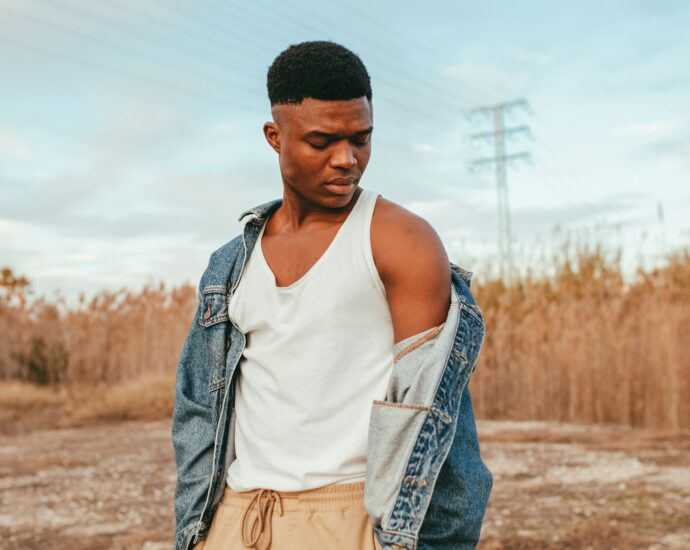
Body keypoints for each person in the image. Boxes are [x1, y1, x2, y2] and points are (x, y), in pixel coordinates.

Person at [172, 40, 492, 550]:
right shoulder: (230, 264)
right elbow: (197, 412)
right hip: (238, 516)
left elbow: (441, 429)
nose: (347, 160)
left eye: (361, 139)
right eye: (322, 142)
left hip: (349, 517)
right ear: (275, 137)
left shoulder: (399, 241)